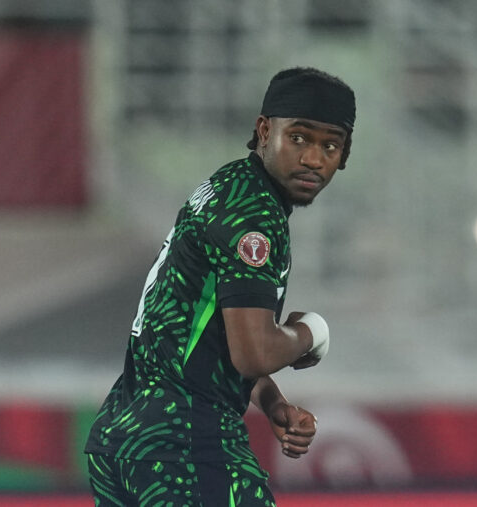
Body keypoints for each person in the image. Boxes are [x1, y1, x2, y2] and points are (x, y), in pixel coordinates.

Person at [84, 67, 356, 506]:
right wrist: (312, 331)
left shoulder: (226, 186)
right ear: (265, 131)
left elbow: (204, 334)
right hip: (185, 447)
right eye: (300, 138)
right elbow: (254, 351)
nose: (313, 158)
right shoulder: (255, 216)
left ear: (344, 155)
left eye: (330, 145)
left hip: (125, 441)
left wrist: (272, 401)